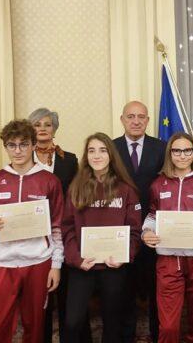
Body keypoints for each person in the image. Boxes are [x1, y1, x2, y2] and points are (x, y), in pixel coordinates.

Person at [0, 119, 64, 343]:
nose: (18, 150)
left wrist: (56, 265)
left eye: (23, 144)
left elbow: (58, 227)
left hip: (38, 263)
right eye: (12, 145)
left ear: (33, 145)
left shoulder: (49, 181)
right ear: (5, 147)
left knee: (36, 325)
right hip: (2, 264)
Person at [142, 132, 193, 343]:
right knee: (169, 325)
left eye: (187, 150)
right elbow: (152, 216)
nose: (182, 155)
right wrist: (147, 232)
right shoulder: (157, 185)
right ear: (170, 153)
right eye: (177, 150)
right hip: (168, 260)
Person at [61, 132, 142, 343]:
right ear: (86, 156)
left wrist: (125, 255)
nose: (96, 155)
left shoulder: (126, 190)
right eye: (91, 150)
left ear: (111, 155)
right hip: (82, 265)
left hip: (114, 266)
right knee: (72, 322)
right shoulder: (75, 189)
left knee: (113, 322)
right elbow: (67, 227)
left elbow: (135, 230)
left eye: (102, 150)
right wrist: (76, 259)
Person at [28, 107, 84, 343]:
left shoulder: (69, 159)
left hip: (63, 230)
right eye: (37, 125)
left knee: (66, 293)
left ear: (54, 129)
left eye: (47, 124)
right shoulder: (22, 158)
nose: (42, 129)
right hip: (33, 234)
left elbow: (76, 195)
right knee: (41, 296)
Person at [113, 101, 166, 342]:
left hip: (156, 228)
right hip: (121, 229)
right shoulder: (110, 149)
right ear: (122, 119)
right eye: (131, 116)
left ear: (147, 120)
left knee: (157, 288)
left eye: (141, 117)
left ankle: (157, 333)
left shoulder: (162, 148)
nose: (136, 121)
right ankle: (126, 335)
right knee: (126, 289)